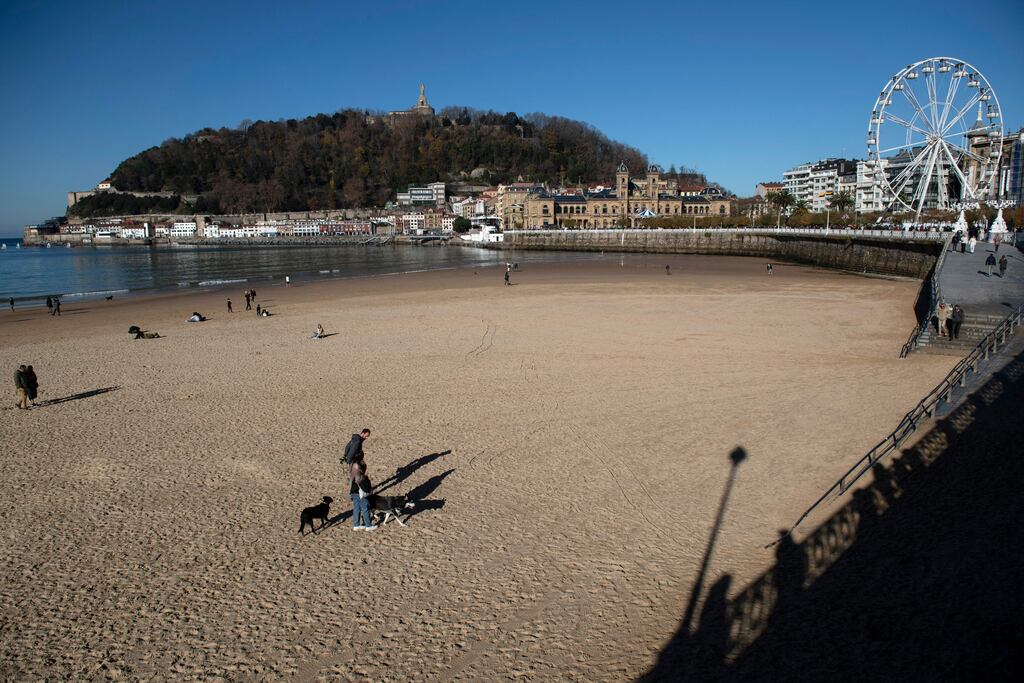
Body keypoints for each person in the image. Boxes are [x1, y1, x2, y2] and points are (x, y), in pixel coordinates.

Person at [350, 457, 377, 531]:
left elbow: (352, 486)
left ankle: (356, 525)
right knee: (365, 509)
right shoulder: (363, 477)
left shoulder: (354, 476)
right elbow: (366, 488)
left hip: (355, 493)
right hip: (362, 495)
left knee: (356, 508)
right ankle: (368, 525)